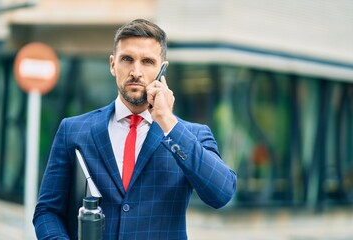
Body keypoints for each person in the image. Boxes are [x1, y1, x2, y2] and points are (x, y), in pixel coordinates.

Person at [33, 19, 237, 240]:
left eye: (147, 61)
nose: (136, 71)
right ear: (113, 64)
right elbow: (47, 212)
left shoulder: (192, 135)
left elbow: (222, 193)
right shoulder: (72, 130)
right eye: (127, 59)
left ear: (162, 69)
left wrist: (167, 121)